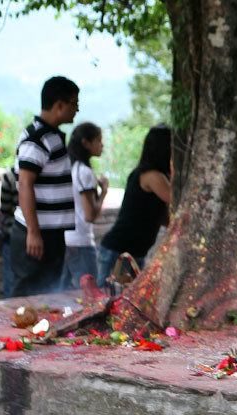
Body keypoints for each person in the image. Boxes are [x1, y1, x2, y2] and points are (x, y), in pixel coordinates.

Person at [11, 76, 79, 297]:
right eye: (74, 104)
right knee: (28, 294)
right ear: (59, 105)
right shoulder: (36, 138)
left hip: (50, 233)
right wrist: (33, 231)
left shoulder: (51, 136)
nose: (76, 110)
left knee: (47, 294)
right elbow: (25, 183)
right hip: (35, 233)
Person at [98, 124, 172, 285]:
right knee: (111, 301)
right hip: (120, 250)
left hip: (134, 252)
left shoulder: (153, 175)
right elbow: (176, 201)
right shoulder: (151, 175)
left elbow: (163, 217)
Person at [60, 122, 108, 290]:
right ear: (86, 143)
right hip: (81, 241)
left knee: (63, 295)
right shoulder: (84, 172)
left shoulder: (70, 167)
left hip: (65, 240)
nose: (102, 145)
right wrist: (104, 192)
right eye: (98, 140)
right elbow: (90, 215)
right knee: (90, 298)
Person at [0, 168, 19, 297]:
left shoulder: (9, 175)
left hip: (12, 233)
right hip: (38, 235)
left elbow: (5, 209)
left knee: (10, 279)